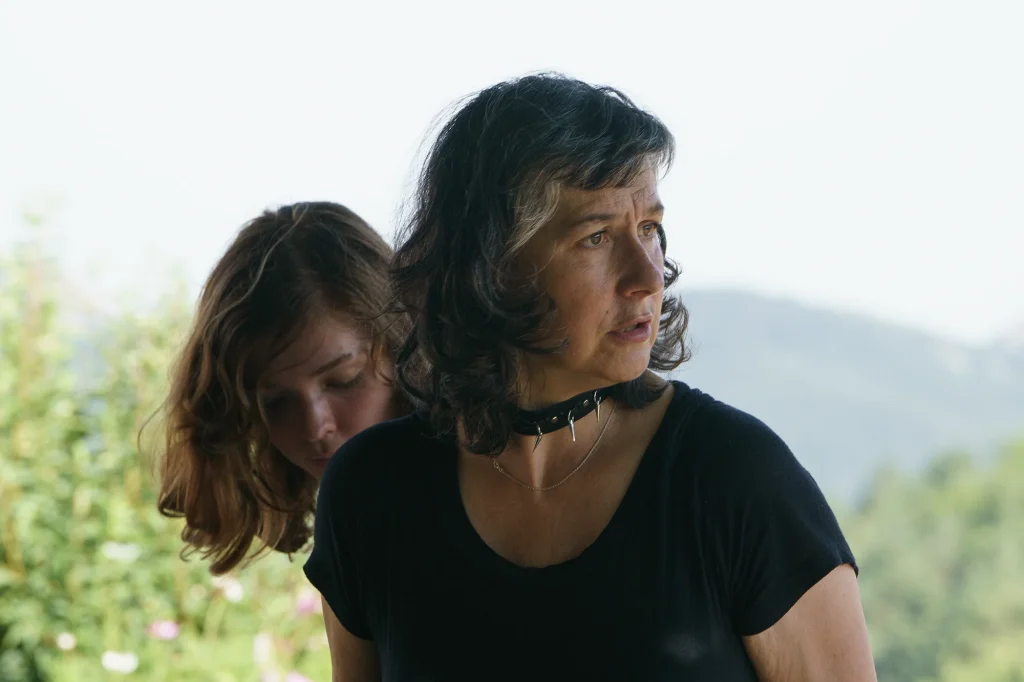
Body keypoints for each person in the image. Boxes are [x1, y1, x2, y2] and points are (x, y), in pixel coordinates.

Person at [304, 75, 877, 680]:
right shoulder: (372, 493)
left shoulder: (735, 480)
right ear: (491, 265)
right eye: (596, 237)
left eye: (649, 228)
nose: (648, 277)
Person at [154, 201, 407, 575]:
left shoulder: (487, 491)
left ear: (404, 352)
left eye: (344, 380)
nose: (315, 427)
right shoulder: (352, 528)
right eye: (275, 403)